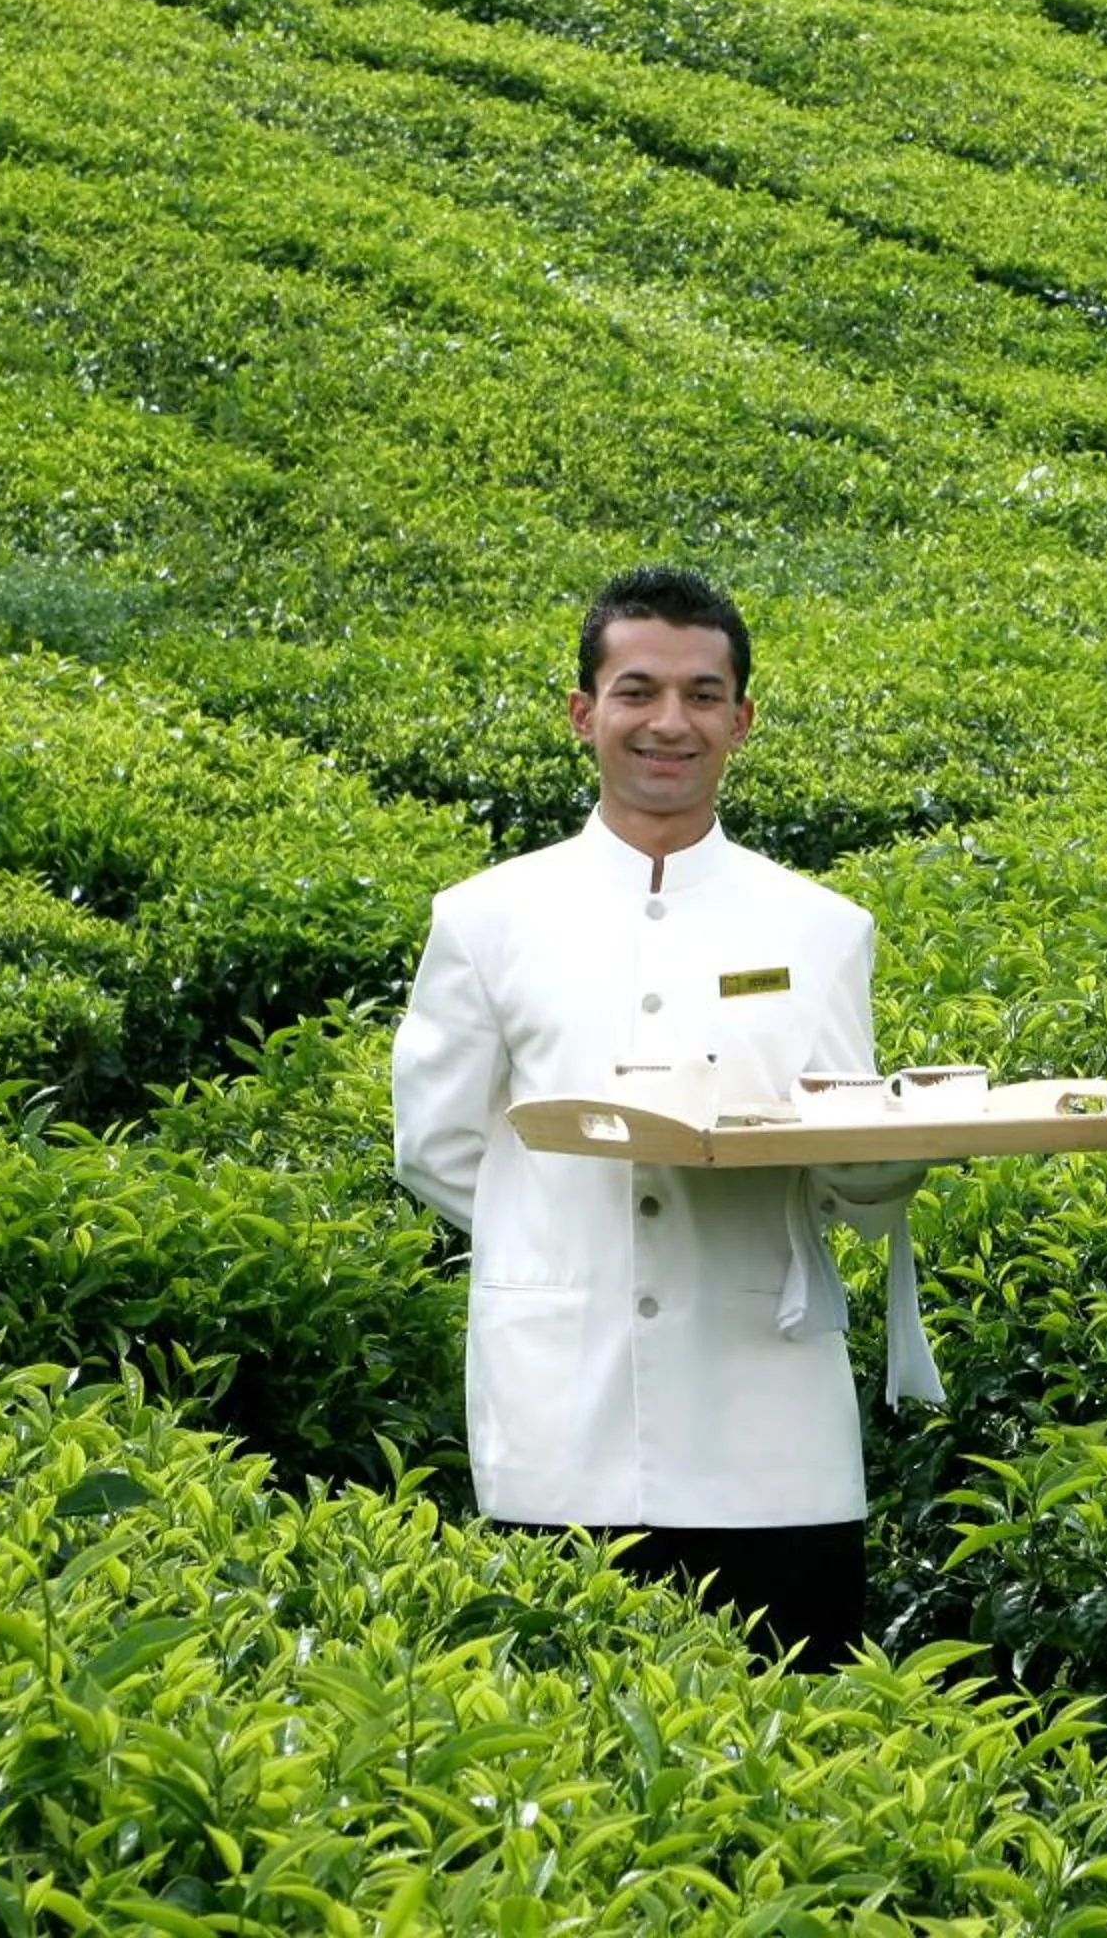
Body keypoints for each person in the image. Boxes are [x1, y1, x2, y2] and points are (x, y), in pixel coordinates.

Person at [391, 565, 934, 1668]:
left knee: (796, 1732)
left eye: (702, 693)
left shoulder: (823, 926)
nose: (668, 722)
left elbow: (840, 1155)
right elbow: (439, 1145)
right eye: (637, 691)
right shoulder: (487, 917)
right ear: (584, 714)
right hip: (559, 1406)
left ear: (743, 718)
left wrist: (887, 1166)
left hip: (765, 1413)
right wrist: (561, 1237)